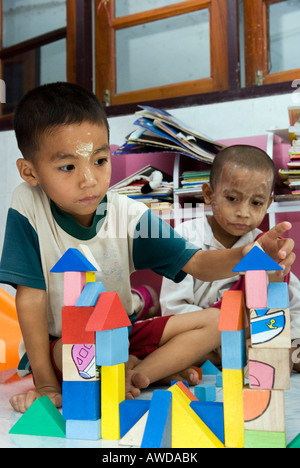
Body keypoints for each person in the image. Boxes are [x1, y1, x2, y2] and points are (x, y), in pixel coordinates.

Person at [0, 83, 295, 414]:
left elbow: (197, 263)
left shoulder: (126, 212)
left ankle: (138, 374)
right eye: (68, 167)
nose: (89, 179)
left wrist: (247, 254)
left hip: (123, 336)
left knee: (215, 322)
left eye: (99, 160)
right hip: (62, 345)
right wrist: (46, 386)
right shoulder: (28, 205)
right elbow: (30, 297)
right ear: (30, 172)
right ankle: (129, 371)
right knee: (85, 354)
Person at [160, 145, 300, 369]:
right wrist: (221, 335)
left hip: (251, 340)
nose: (244, 212)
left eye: (256, 203)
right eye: (233, 198)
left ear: (268, 203)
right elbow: (173, 308)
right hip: (203, 340)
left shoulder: (266, 246)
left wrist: (291, 340)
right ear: (209, 194)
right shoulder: (186, 237)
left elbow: (294, 306)